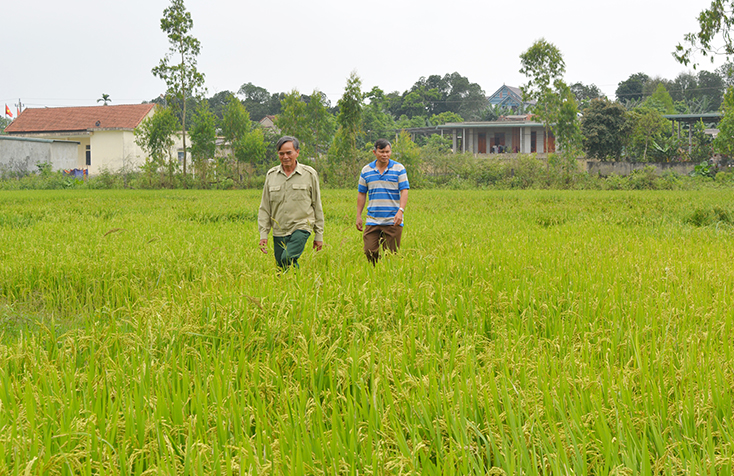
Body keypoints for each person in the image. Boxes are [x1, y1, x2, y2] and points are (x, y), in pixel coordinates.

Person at [258, 136, 324, 269]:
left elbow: (317, 205)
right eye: (281, 153)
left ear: (297, 152)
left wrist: (319, 235)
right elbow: (265, 207)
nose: (285, 157)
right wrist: (263, 234)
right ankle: (293, 287)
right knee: (282, 267)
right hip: (279, 230)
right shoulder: (271, 175)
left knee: (286, 258)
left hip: (301, 227)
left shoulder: (309, 174)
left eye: (289, 153)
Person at [355, 139, 409, 264]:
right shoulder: (366, 170)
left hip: (393, 220)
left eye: (387, 152)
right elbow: (362, 193)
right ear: (374, 152)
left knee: (392, 256)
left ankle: (389, 278)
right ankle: (375, 274)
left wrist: (400, 211)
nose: (385, 155)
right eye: (381, 152)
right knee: (369, 251)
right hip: (372, 220)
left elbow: (404, 191)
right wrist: (358, 215)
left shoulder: (399, 168)